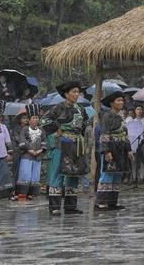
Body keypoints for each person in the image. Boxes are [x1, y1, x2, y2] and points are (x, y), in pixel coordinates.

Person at [40, 81, 89, 216]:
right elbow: (44, 121)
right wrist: (57, 130)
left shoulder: (81, 109)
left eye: (78, 92)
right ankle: (54, 207)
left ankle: (70, 207)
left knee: (73, 175)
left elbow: (84, 123)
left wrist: (80, 137)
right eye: (73, 92)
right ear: (66, 94)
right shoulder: (59, 107)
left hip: (76, 145)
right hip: (61, 144)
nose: (76, 94)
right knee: (58, 174)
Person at [96, 91, 134, 211]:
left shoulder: (121, 117)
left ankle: (112, 202)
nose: (121, 103)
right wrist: (106, 151)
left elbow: (125, 134)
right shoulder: (106, 116)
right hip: (111, 148)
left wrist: (129, 150)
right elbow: (104, 134)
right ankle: (101, 202)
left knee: (117, 175)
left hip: (121, 149)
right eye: (118, 100)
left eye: (122, 100)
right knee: (107, 174)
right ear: (112, 103)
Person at [15, 103, 45, 200]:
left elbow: (44, 141)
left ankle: (32, 194)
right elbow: (22, 142)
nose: (35, 120)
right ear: (29, 119)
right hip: (27, 155)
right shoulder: (24, 130)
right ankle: (23, 193)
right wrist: (30, 150)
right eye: (33, 118)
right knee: (25, 174)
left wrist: (40, 149)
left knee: (35, 175)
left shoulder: (41, 130)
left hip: (38, 156)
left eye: (37, 118)